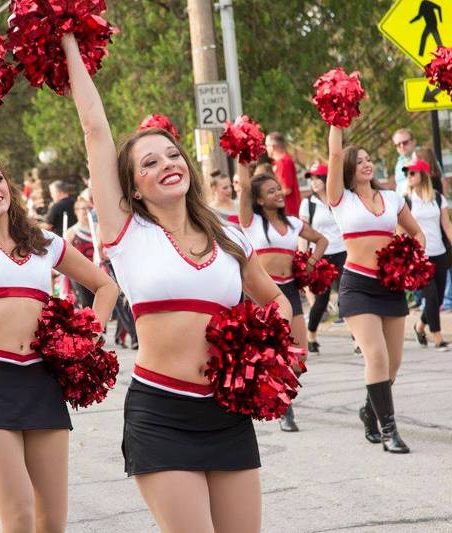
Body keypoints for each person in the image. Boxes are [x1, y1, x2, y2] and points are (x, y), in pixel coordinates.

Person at [63, 33, 293, 533]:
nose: (166, 165)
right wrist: (67, 41)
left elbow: (276, 301)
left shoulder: (228, 234)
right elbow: (95, 132)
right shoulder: (126, 233)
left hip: (227, 411)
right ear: (134, 189)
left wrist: (265, 351)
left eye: (172, 156)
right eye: (149, 163)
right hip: (160, 411)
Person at [0, 95, 118, 532]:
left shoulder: (43, 242)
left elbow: (105, 286)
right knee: (17, 517)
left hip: (41, 380)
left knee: (51, 520)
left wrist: (86, 338)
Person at [326, 125, 425, 454]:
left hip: (390, 286)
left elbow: (416, 234)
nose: (367, 164)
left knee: (393, 363)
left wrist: (412, 261)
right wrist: (337, 122)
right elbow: (334, 154)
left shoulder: (393, 199)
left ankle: (369, 412)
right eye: (360, 161)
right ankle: (389, 432)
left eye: (369, 159)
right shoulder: (340, 200)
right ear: (349, 169)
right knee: (377, 356)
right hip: (357, 286)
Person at [238, 168, 327, 432]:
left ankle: (280, 394)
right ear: (260, 200)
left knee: (299, 358)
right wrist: (243, 162)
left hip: (289, 291)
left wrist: (310, 263)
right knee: (271, 353)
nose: (279, 193)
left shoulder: (292, 223)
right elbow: (243, 189)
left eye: (278, 189)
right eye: (271, 191)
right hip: (263, 293)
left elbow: (322, 240)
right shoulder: (251, 222)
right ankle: (284, 408)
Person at [403, 159, 452, 352]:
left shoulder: (437, 198)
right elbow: (400, 230)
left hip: (440, 253)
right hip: (419, 257)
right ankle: (438, 337)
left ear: (423, 175)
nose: (409, 177)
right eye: (407, 174)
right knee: (431, 295)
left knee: (435, 297)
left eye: (412, 173)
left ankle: (420, 326)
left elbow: (446, 224)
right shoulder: (405, 200)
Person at [298, 163, 347, 355]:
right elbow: (303, 233)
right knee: (322, 299)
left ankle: (357, 340)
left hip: (342, 252)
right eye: (311, 178)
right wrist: (304, 259)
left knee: (347, 294)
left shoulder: (339, 199)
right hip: (320, 256)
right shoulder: (308, 203)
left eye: (317, 178)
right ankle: (311, 334)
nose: (313, 182)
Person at [65, 197, 96, 308]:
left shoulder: (98, 229)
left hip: (98, 272)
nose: (87, 212)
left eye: (89, 208)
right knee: (86, 306)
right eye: (83, 209)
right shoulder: (71, 232)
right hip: (81, 276)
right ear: (76, 211)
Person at [265, 133, 301, 216]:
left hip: (289, 212)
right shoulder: (278, 163)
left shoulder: (284, 162)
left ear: (273, 146)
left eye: (267, 145)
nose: (266, 149)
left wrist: (267, 198)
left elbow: (286, 190)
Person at [391, 128, 417, 194]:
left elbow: (442, 181)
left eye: (405, 143)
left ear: (414, 141)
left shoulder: (424, 157)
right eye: (398, 145)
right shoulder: (399, 163)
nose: (402, 146)